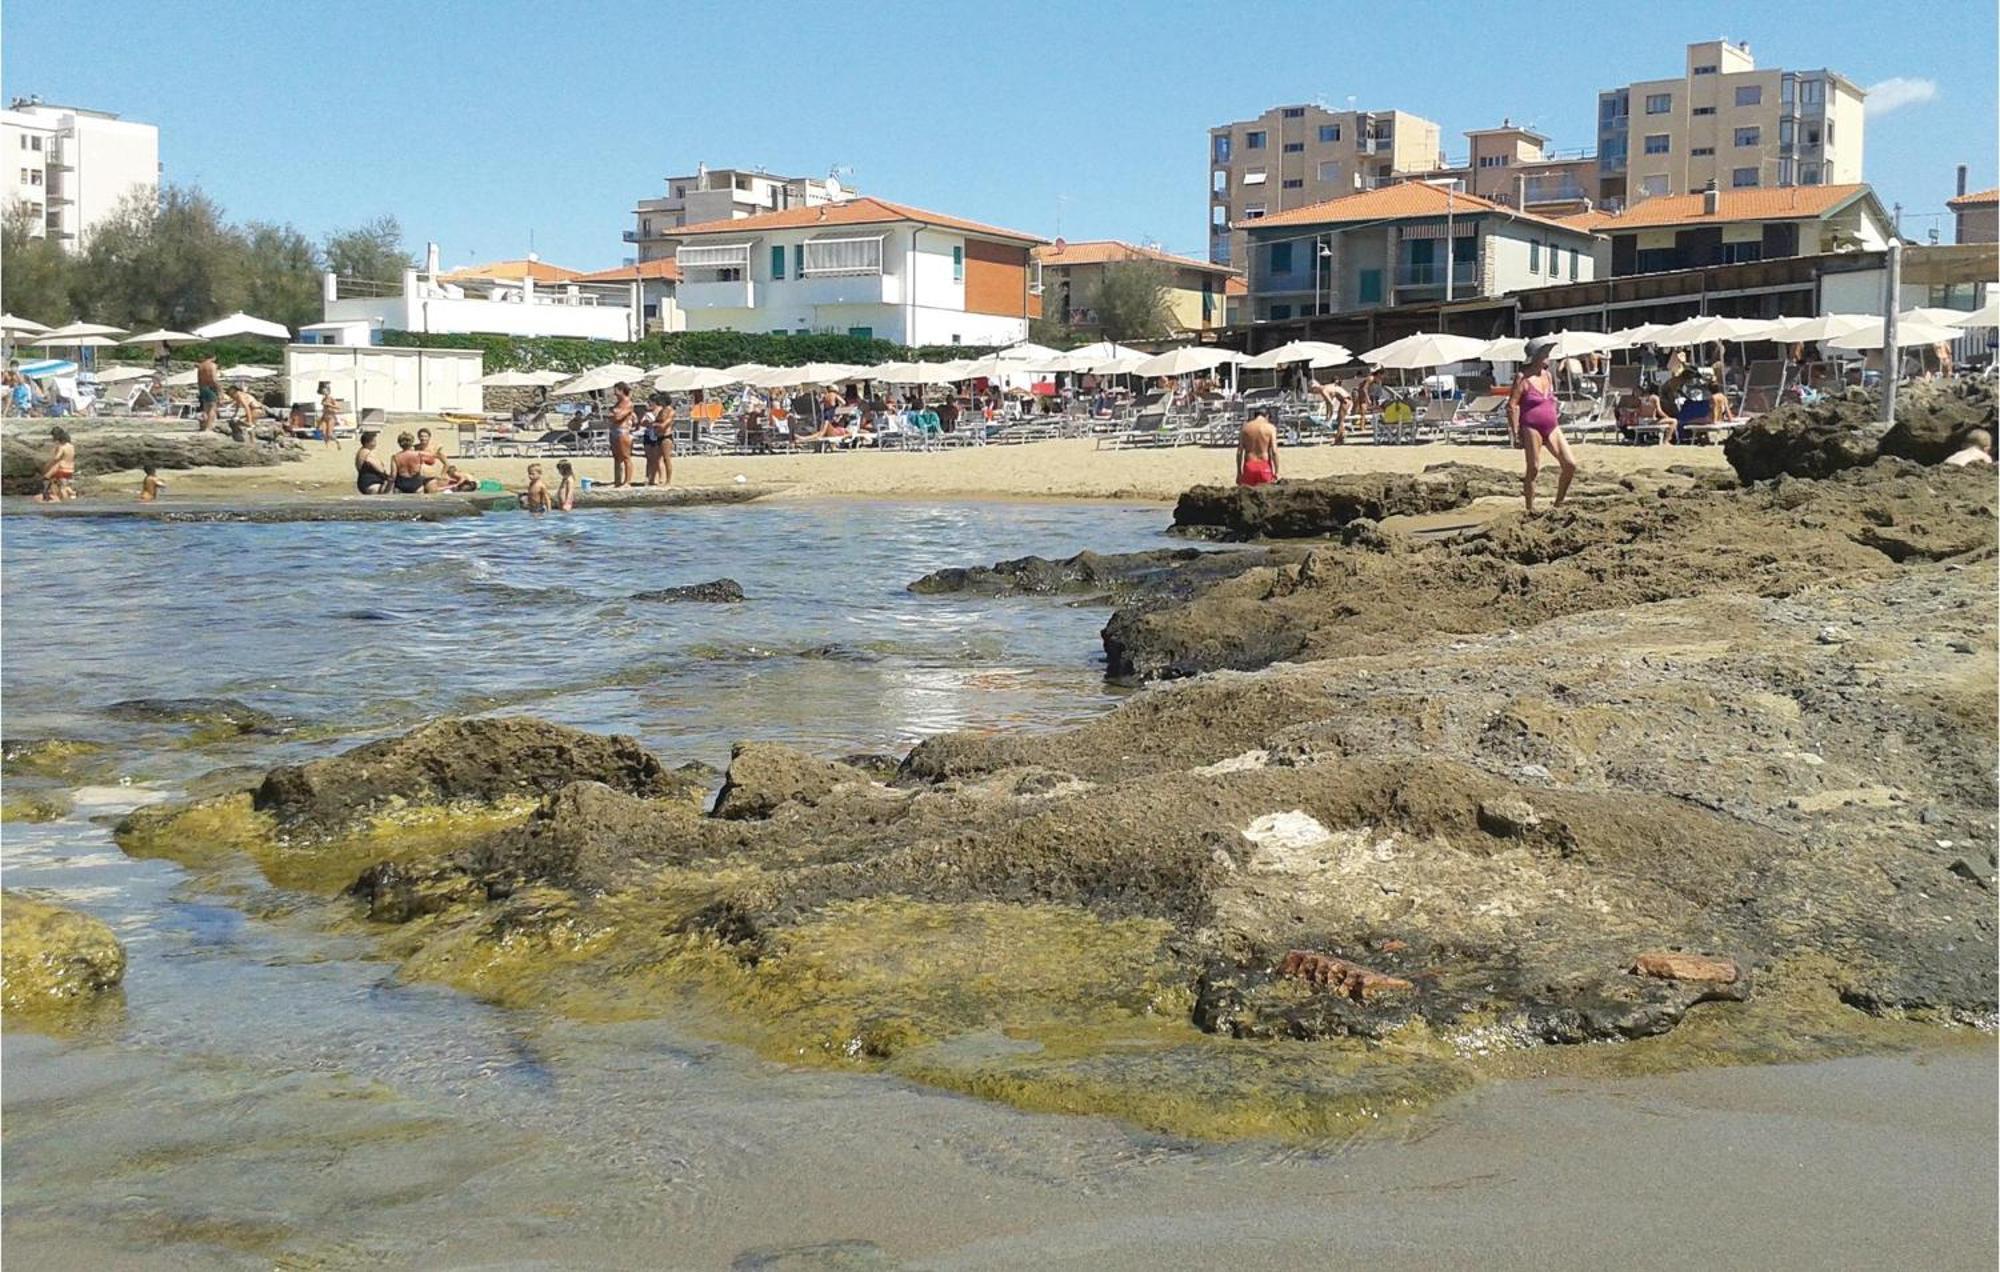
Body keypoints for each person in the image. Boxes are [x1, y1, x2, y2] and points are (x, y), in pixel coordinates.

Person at [1506, 336, 1576, 516]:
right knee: (1534, 468)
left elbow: (1550, 398)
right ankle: (1530, 509)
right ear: (1535, 356)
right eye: (1545, 353)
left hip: (1552, 425)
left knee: (1570, 464)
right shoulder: (1522, 378)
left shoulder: (1548, 375)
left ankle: (1558, 504)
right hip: (1531, 426)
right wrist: (1515, 433)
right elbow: (1512, 406)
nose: (1548, 356)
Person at [1236, 410, 1279, 487]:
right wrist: (1277, 472)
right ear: (1267, 416)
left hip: (1249, 466)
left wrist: (1239, 472)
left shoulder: (1245, 428)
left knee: (1247, 496)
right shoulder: (1270, 428)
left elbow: (1239, 452)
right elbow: (1274, 452)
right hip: (1265, 466)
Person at [607, 383, 635, 487]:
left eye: (615, 390)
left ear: (621, 390)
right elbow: (612, 415)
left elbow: (618, 417)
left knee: (626, 456)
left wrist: (613, 414)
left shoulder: (628, 403)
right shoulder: (617, 403)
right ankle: (617, 481)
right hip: (614, 430)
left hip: (622, 430)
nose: (614, 392)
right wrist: (613, 414)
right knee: (616, 458)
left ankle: (627, 482)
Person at [39, 426, 76, 501]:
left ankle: (52, 497)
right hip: (70, 469)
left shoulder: (62, 447)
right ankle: (71, 494)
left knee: (47, 479)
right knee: (63, 484)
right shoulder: (71, 446)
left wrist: (48, 464)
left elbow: (57, 458)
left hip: (61, 468)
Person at [643, 400, 674, 486]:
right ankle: (651, 479)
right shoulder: (661, 411)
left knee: (666, 459)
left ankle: (668, 481)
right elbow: (655, 422)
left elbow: (664, 425)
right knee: (655, 459)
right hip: (658, 436)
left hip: (666, 436)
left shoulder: (671, 411)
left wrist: (655, 424)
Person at [354, 430, 392, 494]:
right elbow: (378, 468)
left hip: (365, 482)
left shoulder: (361, 451)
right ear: (367, 443)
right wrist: (386, 476)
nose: (375, 443)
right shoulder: (367, 452)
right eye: (374, 441)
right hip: (371, 483)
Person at [196, 355, 221, 431]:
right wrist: (219, 389)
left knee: (206, 408)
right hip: (210, 387)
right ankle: (209, 427)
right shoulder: (212, 365)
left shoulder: (200, 366)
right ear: (213, 357)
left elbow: (199, 380)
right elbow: (213, 379)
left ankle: (204, 426)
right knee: (212, 408)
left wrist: (200, 390)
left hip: (202, 388)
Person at [316, 381, 342, 447]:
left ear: (328, 391)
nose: (324, 393)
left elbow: (338, 407)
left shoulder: (331, 398)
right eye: (323, 391)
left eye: (325, 391)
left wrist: (329, 405)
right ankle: (326, 446)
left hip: (331, 417)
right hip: (324, 417)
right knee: (323, 432)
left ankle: (337, 442)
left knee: (329, 434)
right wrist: (320, 420)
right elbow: (324, 409)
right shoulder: (323, 399)